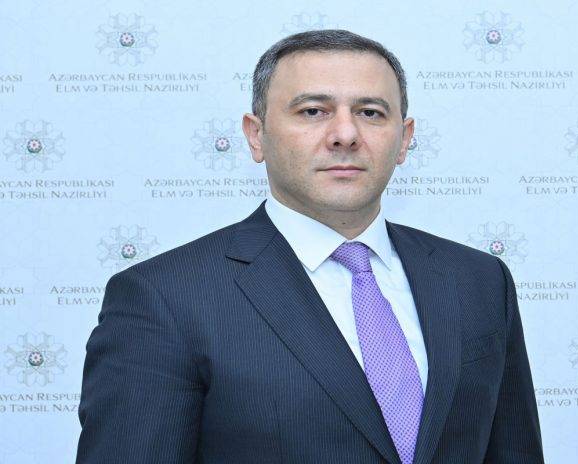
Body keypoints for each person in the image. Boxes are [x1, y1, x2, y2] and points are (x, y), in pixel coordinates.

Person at [76, 29, 544, 464]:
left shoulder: (480, 281)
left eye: (370, 112)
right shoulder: (164, 297)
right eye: (313, 111)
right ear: (256, 135)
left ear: (404, 140)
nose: (345, 134)